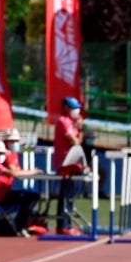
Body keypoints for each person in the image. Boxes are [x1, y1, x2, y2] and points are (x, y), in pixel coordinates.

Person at [0, 140, 41, 235]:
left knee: (31, 195)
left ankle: (21, 223)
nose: (0, 156)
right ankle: (19, 224)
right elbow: (13, 173)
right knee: (31, 197)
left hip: (4, 195)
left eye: (2, 153)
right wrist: (33, 171)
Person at [52, 96, 84, 235]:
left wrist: (79, 128)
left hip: (71, 163)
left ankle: (67, 224)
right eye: (73, 108)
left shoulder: (71, 123)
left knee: (70, 194)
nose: (76, 111)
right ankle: (63, 225)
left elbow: (78, 142)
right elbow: (76, 142)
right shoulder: (63, 121)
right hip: (64, 163)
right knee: (65, 194)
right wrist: (80, 129)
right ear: (66, 108)